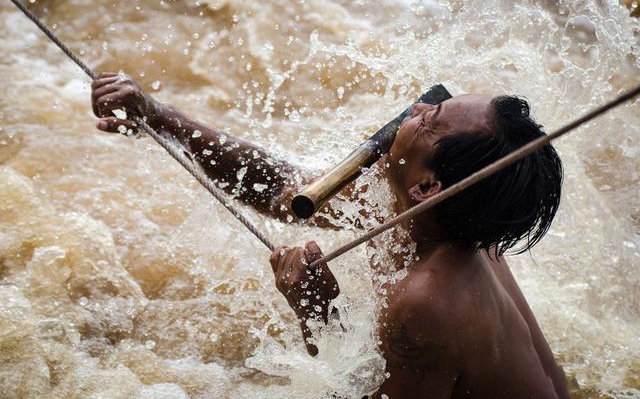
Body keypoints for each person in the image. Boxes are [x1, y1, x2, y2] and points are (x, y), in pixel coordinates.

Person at [92, 72, 570, 398]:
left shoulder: (427, 301)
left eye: (429, 121)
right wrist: (158, 118)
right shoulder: (452, 215)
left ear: (428, 185)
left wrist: (319, 314)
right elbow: (279, 187)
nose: (416, 108)